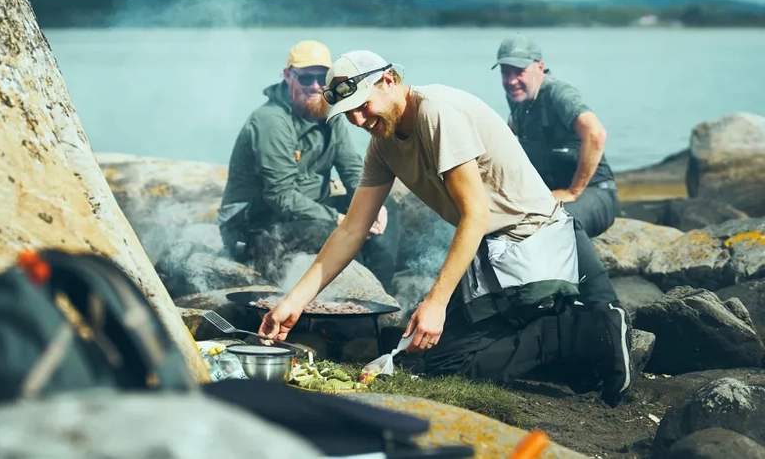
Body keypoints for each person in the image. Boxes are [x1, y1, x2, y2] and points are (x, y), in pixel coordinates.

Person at [258, 50, 633, 406]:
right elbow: (351, 230)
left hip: (528, 241)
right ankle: (566, 336)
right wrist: (293, 303)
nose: (358, 120)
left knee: (454, 365)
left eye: (361, 106)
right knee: (438, 359)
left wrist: (435, 303)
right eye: (347, 113)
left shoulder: (437, 113)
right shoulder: (383, 142)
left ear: (387, 80)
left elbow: (476, 214)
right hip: (488, 250)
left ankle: (579, 330)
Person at [217, 40, 400, 292]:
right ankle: (352, 299)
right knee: (331, 233)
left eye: (321, 78)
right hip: (257, 222)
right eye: (305, 78)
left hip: (309, 209)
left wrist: (371, 207)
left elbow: (353, 170)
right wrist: (339, 219)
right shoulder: (271, 121)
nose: (314, 86)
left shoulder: (331, 114)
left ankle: (382, 296)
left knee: (383, 205)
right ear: (287, 76)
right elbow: (279, 196)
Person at [493, 33, 620, 307]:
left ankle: (607, 307)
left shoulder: (558, 93)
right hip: (550, 196)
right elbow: (507, 137)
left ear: (539, 67)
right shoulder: (517, 98)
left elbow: (596, 135)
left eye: (519, 71)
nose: (511, 80)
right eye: (506, 72)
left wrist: (573, 191)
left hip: (597, 194)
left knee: (559, 222)